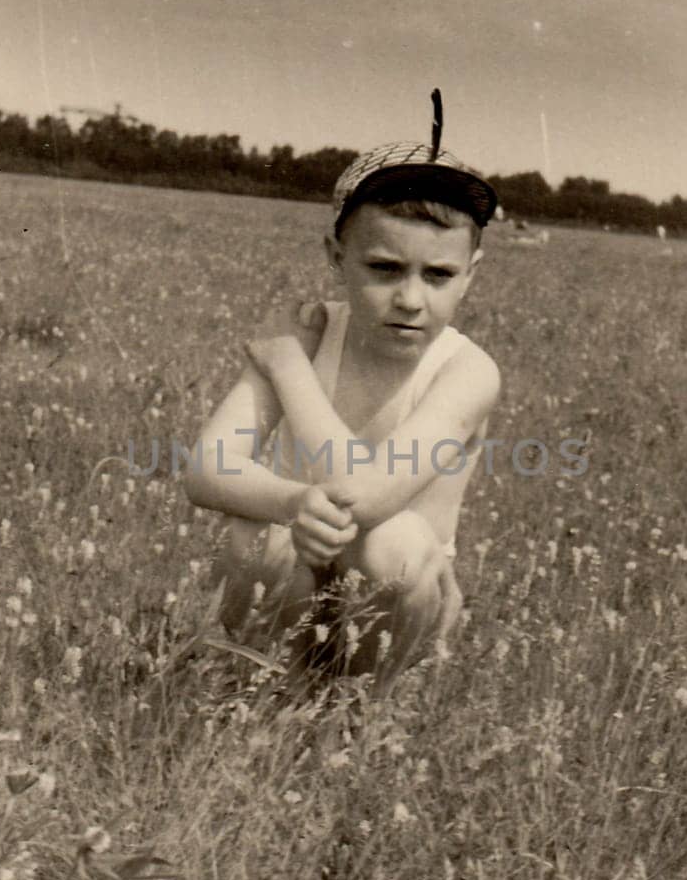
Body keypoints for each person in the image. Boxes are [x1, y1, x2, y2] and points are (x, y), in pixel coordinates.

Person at [183, 95, 501, 689]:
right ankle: (266, 691)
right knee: (252, 536)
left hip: (396, 602)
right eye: (384, 268)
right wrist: (290, 505)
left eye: (439, 275)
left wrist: (290, 368)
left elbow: (365, 502)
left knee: (394, 544)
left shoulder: (467, 370)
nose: (410, 299)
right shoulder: (310, 334)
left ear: (471, 274)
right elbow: (205, 468)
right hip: (300, 573)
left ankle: (363, 710)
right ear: (337, 255)